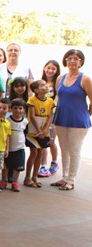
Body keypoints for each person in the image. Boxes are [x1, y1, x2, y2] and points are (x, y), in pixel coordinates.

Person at [51, 49, 92, 191]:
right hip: (61, 118)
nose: (72, 61)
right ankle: (64, 176)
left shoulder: (85, 79)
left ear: (81, 62)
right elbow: (59, 97)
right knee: (64, 149)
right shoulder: (60, 79)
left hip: (78, 121)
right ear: (65, 61)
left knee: (75, 150)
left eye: (76, 58)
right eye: (69, 58)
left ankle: (71, 179)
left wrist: (86, 115)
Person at [25, 80, 54, 187]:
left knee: (40, 153)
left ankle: (34, 177)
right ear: (36, 90)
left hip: (44, 131)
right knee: (34, 153)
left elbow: (50, 116)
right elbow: (32, 116)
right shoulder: (32, 100)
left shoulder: (50, 101)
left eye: (45, 85)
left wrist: (45, 129)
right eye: (42, 85)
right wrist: (38, 130)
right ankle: (27, 177)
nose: (45, 87)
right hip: (33, 131)